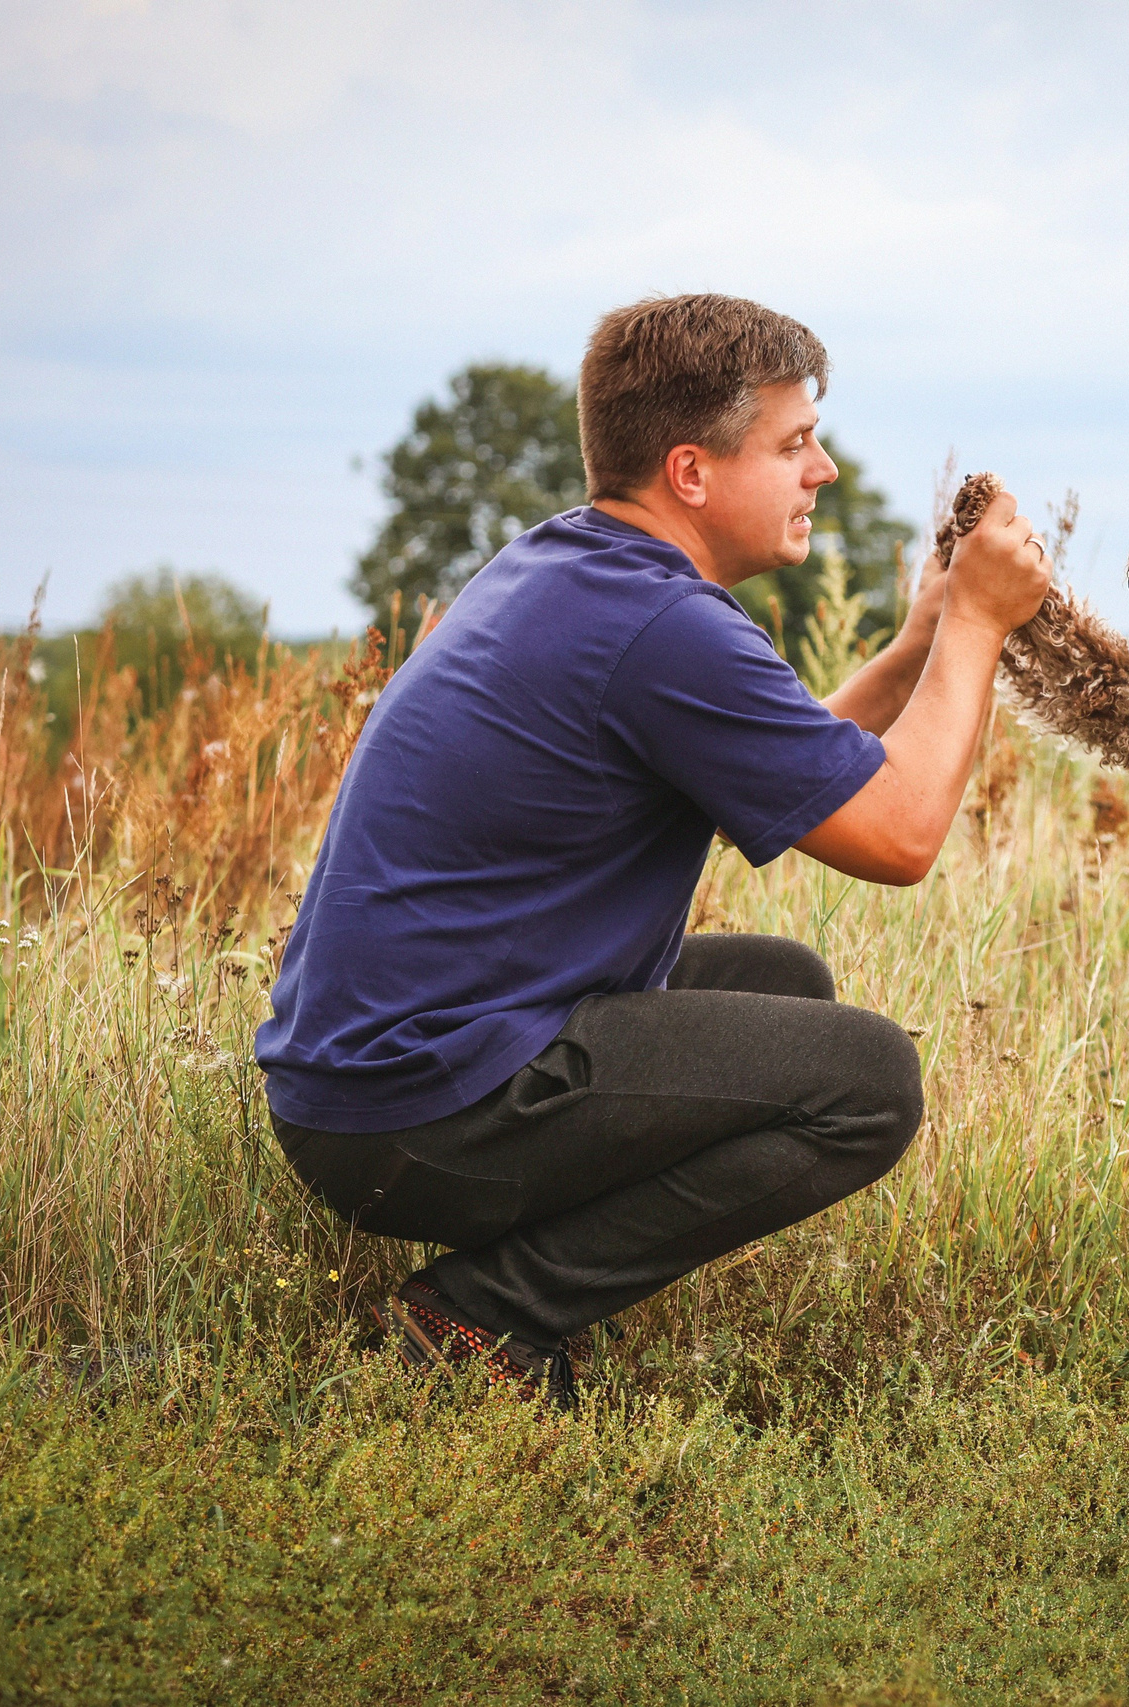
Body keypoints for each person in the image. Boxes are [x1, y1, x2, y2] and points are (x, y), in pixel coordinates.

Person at [255, 294, 1050, 1396]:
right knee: (868, 1081)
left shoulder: (573, 568)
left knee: (785, 983)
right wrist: (978, 625)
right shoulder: (664, 626)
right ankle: (483, 1315)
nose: (822, 471)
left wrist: (921, 641)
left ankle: (510, 1284)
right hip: (418, 1111)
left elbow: (793, 769)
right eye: (794, 444)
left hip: (369, 1083)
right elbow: (902, 833)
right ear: (691, 472)